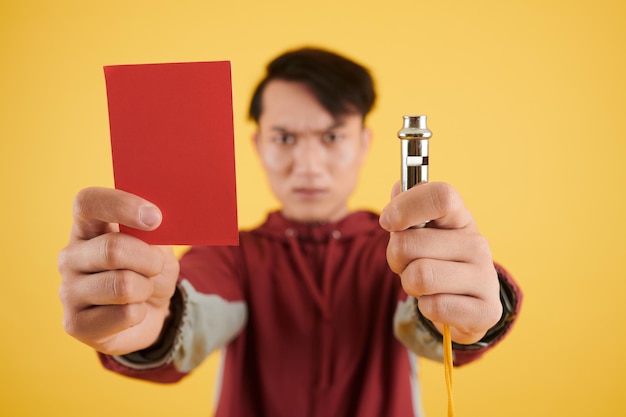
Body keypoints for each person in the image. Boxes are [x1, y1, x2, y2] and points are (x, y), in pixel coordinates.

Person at [58, 47, 522, 417]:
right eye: (284, 138)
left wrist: (477, 308)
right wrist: (143, 323)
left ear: (364, 143)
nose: (308, 165)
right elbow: (192, 313)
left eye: (331, 137)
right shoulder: (230, 256)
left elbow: (424, 321)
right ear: (258, 145)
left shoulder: (398, 251)